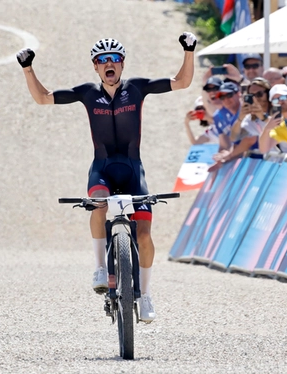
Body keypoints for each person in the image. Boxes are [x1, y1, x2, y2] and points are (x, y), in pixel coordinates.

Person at [16, 32, 197, 323]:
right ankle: (100, 267)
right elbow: (43, 98)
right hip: (102, 168)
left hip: (132, 169)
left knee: (146, 234)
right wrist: (28, 68)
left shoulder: (137, 89)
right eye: (102, 60)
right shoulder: (88, 93)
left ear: (122, 64)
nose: (108, 64)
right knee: (98, 202)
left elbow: (182, 82)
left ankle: (146, 294)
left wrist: (189, 50)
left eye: (114, 59)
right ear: (95, 66)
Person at [230, 77, 272, 155]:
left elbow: (280, 127)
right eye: (252, 95)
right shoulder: (252, 118)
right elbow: (234, 137)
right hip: (274, 160)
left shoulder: (278, 108)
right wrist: (240, 118)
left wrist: (263, 117)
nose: (255, 98)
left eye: (259, 94)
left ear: (268, 94)